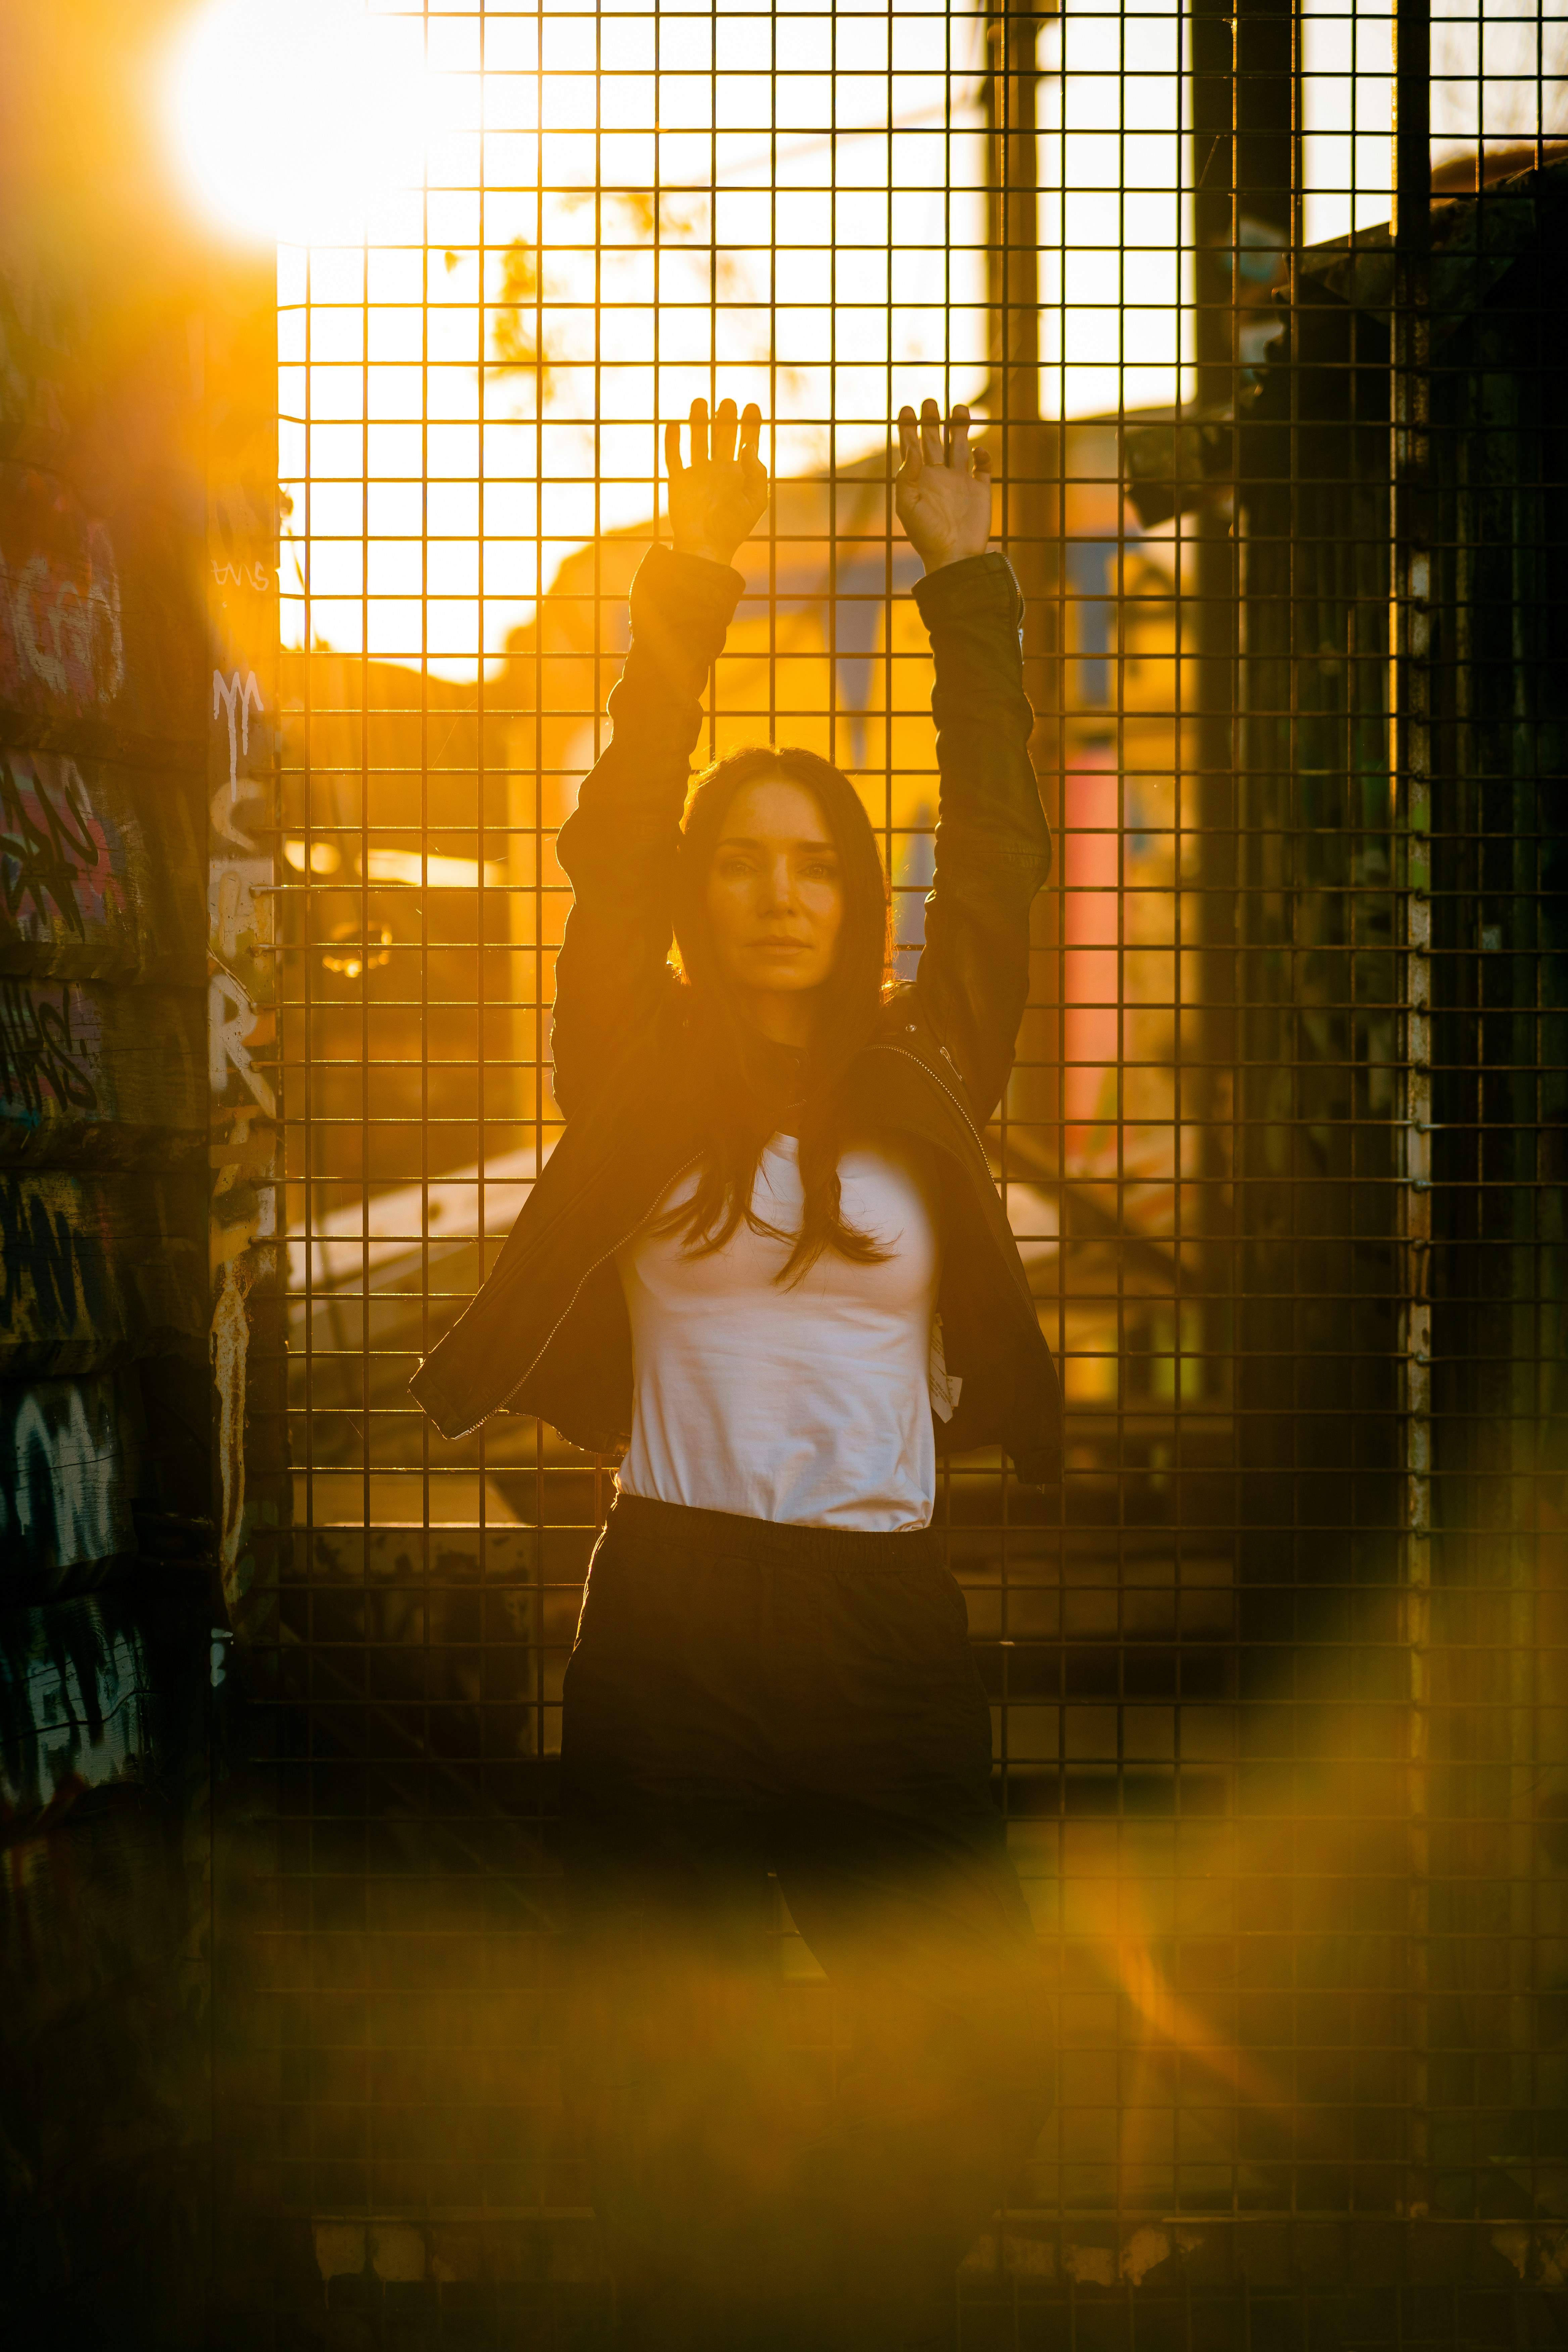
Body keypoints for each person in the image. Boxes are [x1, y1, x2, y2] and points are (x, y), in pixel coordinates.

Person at [411, 394, 1061, 2350]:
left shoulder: (937, 1065)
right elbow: (618, 829)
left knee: (983, 2055)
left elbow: (1010, 850)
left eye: (816, 867)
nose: (780, 892)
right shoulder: (634, 1073)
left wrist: (967, 575)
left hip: (882, 1617)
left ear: (858, 902)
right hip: (670, 1607)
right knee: (643, 2053)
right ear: (700, 903)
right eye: (743, 866)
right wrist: (685, 578)